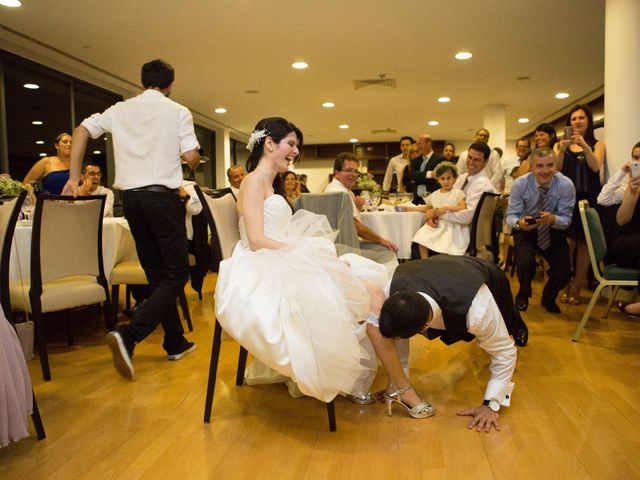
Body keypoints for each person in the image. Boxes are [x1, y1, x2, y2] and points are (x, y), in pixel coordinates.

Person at [215, 117, 390, 402]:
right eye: (291, 144)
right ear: (269, 144)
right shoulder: (252, 182)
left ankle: (350, 375)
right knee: (353, 289)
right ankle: (348, 378)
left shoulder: (272, 185)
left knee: (365, 281)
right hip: (260, 264)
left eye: (297, 146)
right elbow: (257, 239)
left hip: (277, 255)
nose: (296, 152)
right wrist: (305, 255)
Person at [62, 59, 201, 379]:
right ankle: (129, 334)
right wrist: (189, 158)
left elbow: (81, 130)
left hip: (133, 201)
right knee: (177, 272)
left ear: (142, 83)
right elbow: (191, 156)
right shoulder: (177, 110)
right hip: (162, 199)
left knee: (156, 274)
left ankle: (175, 341)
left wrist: (73, 176)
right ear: (169, 86)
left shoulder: (119, 110)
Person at [364, 255, 527, 432]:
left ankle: (518, 326)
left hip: (485, 276)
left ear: (424, 327)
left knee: (506, 324)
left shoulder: (478, 312)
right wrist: (397, 381)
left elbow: (505, 353)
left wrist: (491, 404)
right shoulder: (394, 292)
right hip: (438, 271)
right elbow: (397, 338)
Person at [506, 148, 575, 313]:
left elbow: (566, 220)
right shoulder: (520, 184)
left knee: (564, 272)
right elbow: (511, 215)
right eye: (539, 166)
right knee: (524, 263)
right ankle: (523, 292)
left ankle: (549, 297)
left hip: (552, 229)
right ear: (531, 167)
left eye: (550, 165)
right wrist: (519, 223)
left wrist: (553, 219)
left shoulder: (566, 185)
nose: (545, 171)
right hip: (526, 230)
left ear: (556, 165)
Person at [557, 104, 606, 305]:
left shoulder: (598, 144)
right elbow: (556, 170)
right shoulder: (561, 145)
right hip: (566, 200)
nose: (577, 121)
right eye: (574, 118)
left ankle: (577, 286)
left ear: (589, 121)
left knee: (585, 245)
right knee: (566, 244)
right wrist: (561, 150)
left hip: (588, 199)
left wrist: (585, 146)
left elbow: (595, 167)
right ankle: (565, 283)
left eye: (581, 118)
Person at [324, 152, 399, 253]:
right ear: (337, 173)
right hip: (346, 248)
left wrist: (357, 208)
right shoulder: (342, 193)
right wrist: (381, 240)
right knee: (388, 247)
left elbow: (344, 221)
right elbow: (358, 228)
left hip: (335, 245)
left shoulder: (332, 188)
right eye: (349, 170)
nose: (354, 175)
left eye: (355, 171)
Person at [600, 142, 640, 315]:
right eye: (636, 158)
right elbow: (621, 220)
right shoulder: (628, 187)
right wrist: (631, 193)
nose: (639, 162)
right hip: (623, 244)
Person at [423, 142, 496, 234]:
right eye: (469, 157)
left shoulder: (483, 185)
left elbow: (467, 217)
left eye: (476, 160)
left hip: (463, 232)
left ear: (485, 162)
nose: (471, 162)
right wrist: (432, 216)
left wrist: (437, 214)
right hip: (449, 226)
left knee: (417, 240)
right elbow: (448, 199)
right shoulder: (463, 177)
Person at [400, 161, 467, 258]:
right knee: (422, 238)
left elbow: (462, 207)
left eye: (449, 178)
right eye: (442, 179)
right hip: (436, 224)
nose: (446, 181)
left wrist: (446, 208)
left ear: (454, 178)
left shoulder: (457, 193)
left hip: (449, 225)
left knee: (444, 244)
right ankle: (425, 262)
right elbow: (427, 208)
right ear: (438, 180)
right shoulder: (435, 195)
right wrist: (410, 208)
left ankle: (441, 265)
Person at [407, 134, 445, 204]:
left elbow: (438, 179)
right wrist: (430, 174)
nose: (417, 147)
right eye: (417, 144)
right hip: (416, 199)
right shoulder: (415, 161)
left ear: (428, 144)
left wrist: (419, 176)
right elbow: (412, 175)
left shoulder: (440, 159)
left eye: (420, 144)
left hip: (433, 199)